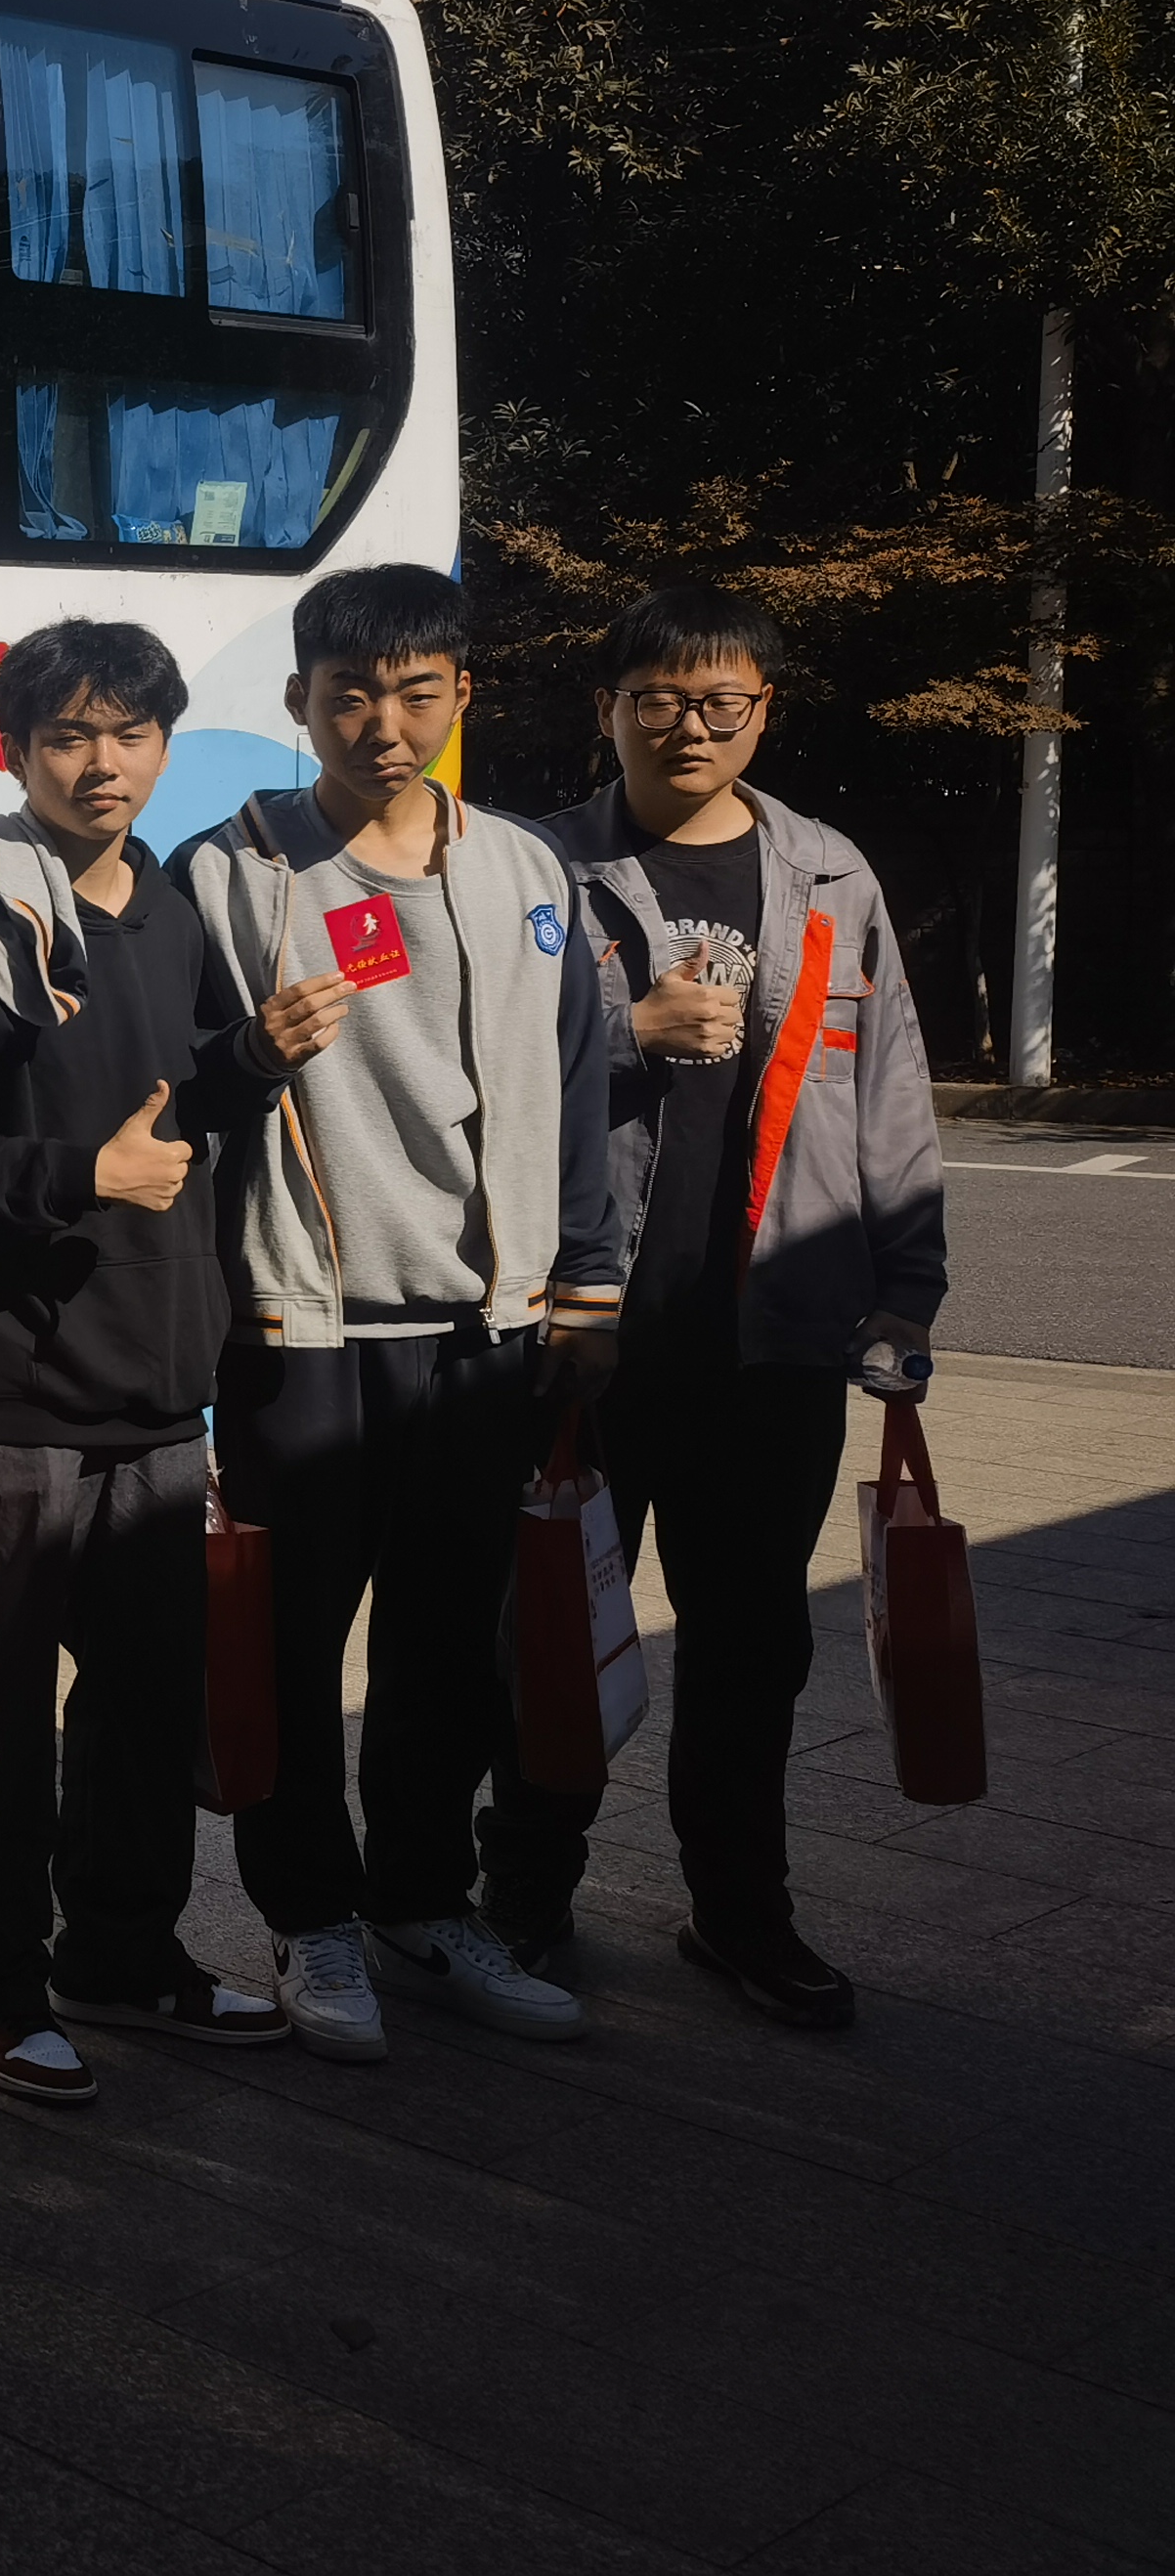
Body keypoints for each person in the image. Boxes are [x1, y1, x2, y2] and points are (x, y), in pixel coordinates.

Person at [173, 563, 624, 2064]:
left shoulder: (525, 872)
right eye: (351, 694)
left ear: (462, 696)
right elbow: (176, 1095)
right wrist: (244, 1055)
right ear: (298, 701)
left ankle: (423, 1905)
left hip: (485, 1334)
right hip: (300, 1332)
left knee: (446, 1645)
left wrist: (586, 1290)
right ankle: (310, 1920)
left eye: (418, 693)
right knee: (294, 1651)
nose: (385, 723)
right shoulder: (226, 873)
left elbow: (575, 1092)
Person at [0, 621, 319, 2103]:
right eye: (70, 735)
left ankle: (124, 1955)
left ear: (164, 745)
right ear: (13, 747)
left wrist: (252, 1058)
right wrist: (78, 1175)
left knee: (146, 1706)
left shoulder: (178, 912)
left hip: (159, 1380)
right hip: (18, 1390)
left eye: (130, 734)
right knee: (6, 1719)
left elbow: (180, 1110)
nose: (102, 763)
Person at [527, 584, 944, 2028]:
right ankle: (522, 1898)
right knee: (551, 1625)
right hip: (582, 1335)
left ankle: (742, 1911)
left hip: (774, 1340)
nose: (688, 726)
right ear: (608, 708)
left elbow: (889, 1088)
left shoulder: (830, 874)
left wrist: (906, 1292)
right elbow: (473, 1064)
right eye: (658, 697)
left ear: (762, 711)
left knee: (754, 1642)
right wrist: (620, 1032)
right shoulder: (538, 868)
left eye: (721, 701)